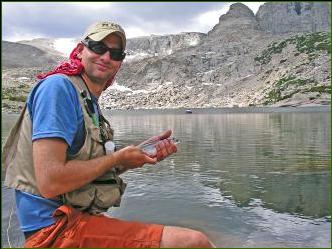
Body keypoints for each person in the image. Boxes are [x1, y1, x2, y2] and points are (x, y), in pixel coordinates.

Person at [2, 21, 215, 248]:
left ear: (120, 62)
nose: (105, 57)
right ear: (81, 49)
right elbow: (51, 181)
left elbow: (83, 168)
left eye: (115, 53)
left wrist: (133, 158)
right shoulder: (59, 89)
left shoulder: (87, 99)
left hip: (74, 218)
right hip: (52, 229)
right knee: (194, 242)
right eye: (97, 47)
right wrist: (116, 158)